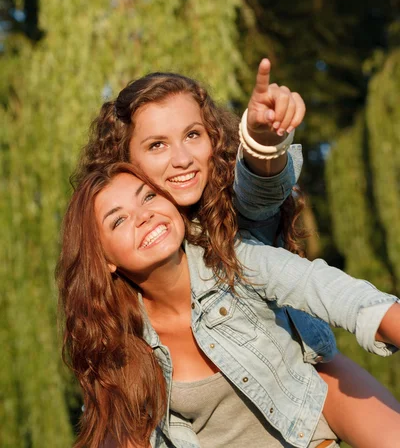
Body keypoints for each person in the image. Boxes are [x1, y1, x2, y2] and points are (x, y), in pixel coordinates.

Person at [73, 60, 400, 446]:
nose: (181, 158)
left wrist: (263, 140)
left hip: (316, 403)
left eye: (193, 134)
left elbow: (261, 194)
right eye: (157, 144)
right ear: (127, 161)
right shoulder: (118, 333)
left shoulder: (234, 243)